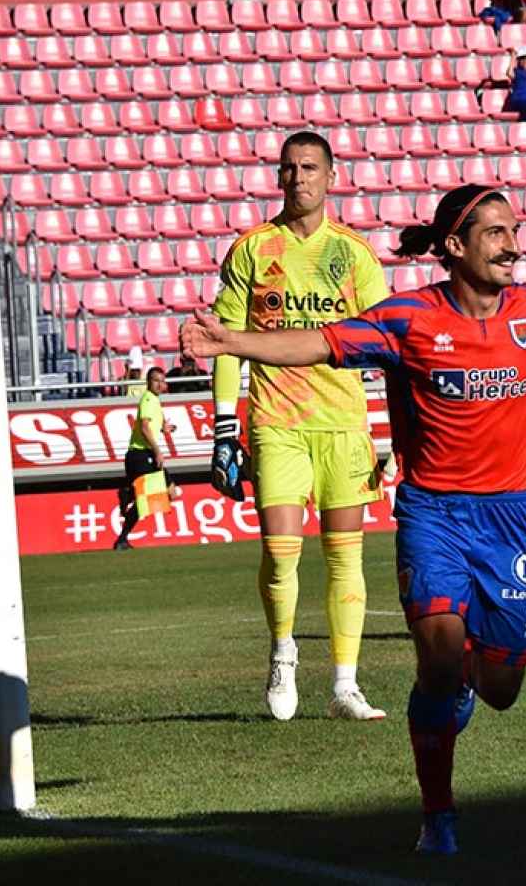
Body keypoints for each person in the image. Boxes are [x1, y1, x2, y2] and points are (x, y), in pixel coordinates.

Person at [179, 184, 526, 855]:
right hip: (433, 514)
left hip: (511, 519)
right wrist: (235, 341)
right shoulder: (406, 319)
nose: (511, 244)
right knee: (440, 654)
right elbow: (318, 341)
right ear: (454, 247)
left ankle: (455, 699)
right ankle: (438, 815)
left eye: (513, 231)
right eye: (494, 233)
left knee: (501, 689)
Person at [210, 129, 391, 723]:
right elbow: (226, 344)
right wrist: (221, 427)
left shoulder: (356, 255)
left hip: (343, 423)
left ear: (332, 176)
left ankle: (345, 684)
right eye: (289, 168)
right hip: (276, 419)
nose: (299, 178)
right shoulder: (253, 249)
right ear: (278, 177)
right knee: (281, 551)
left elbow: (386, 346)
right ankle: (283, 650)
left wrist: (394, 434)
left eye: (310, 167)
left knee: (346, 558)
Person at [112, 366, 169, 551]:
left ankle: (127, 493)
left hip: (142, 455)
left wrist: (164, 428)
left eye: (162, 380)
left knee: (157, 497)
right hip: (141, 454)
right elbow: (144, 427)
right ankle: (127, 492)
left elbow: (150, 426)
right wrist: (157, 450)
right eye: (156, 380)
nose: (160, 384)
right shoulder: (147, 399)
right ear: (148, 382)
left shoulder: (155, 401)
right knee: (160, 495)